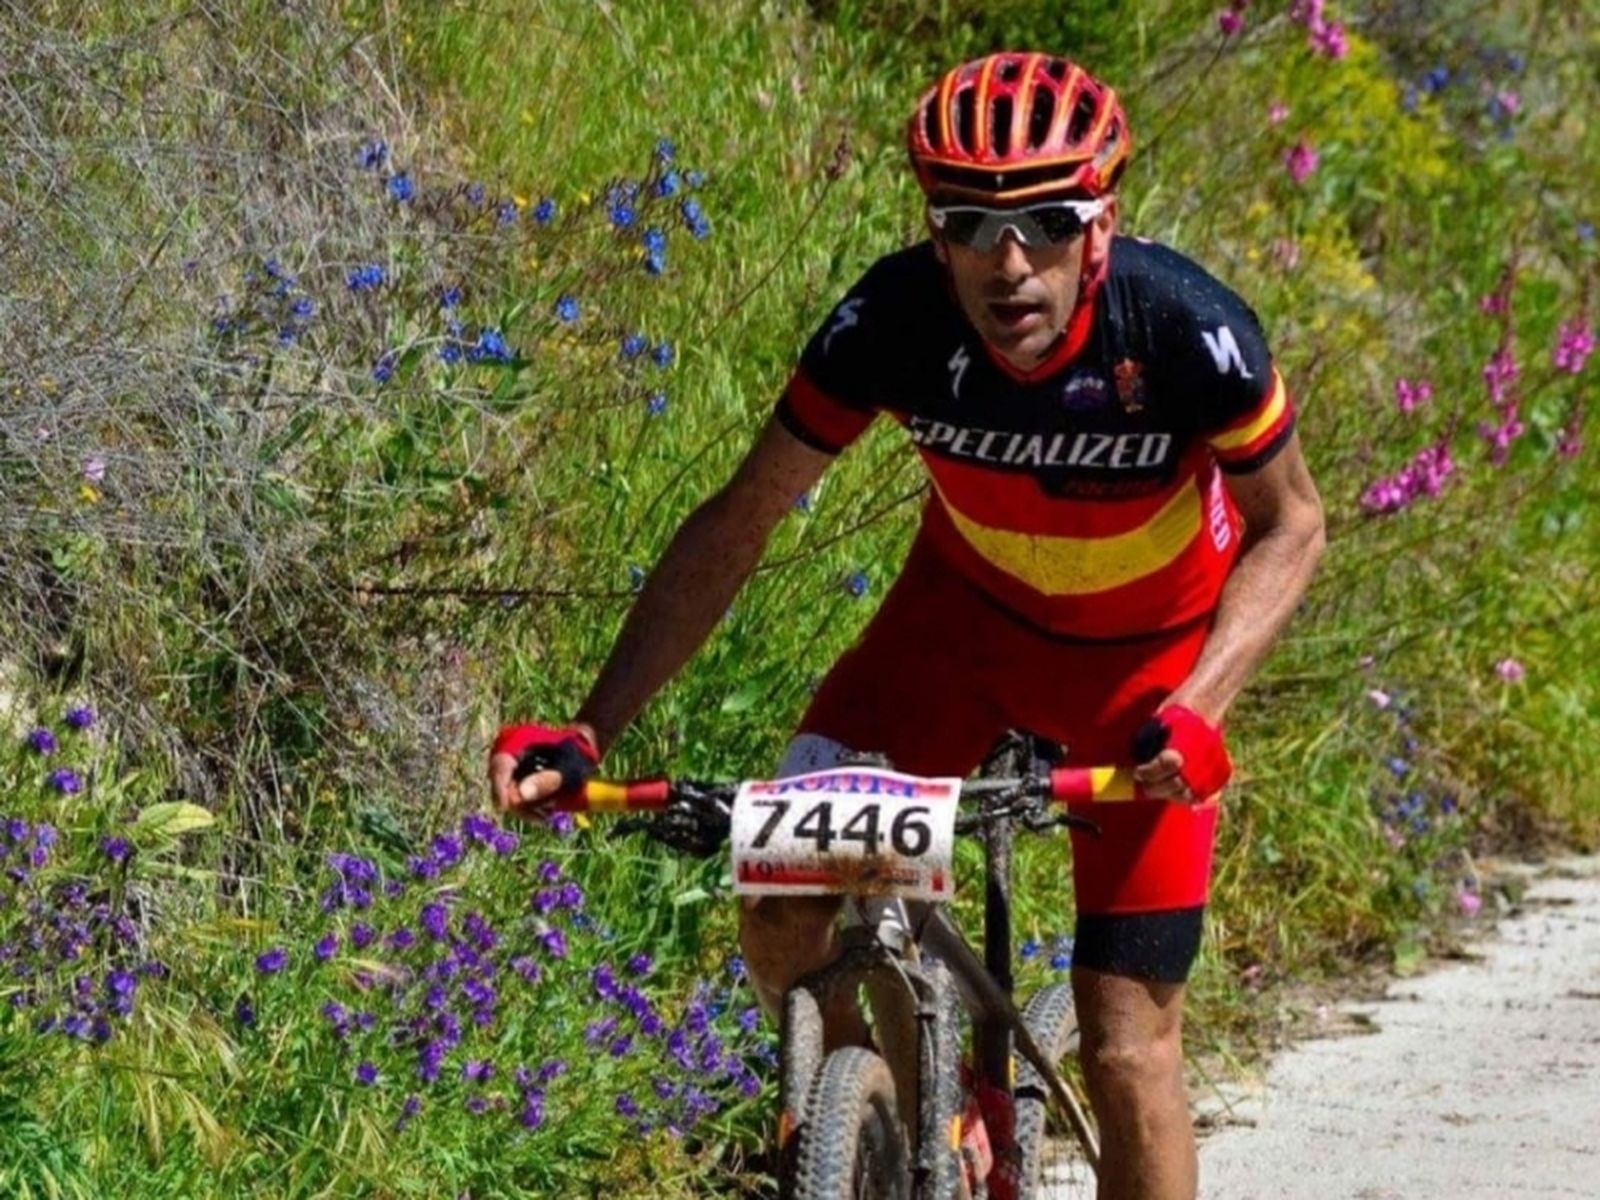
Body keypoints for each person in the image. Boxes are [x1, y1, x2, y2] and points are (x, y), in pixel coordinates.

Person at [489, 52, 1325, 1200]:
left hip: (1146, 679)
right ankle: (880, 1136)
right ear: (935, 235)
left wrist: (1200, 707)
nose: (1009, 259)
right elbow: (740, 522)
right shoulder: (888, 322)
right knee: (782, 899)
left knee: (1128, 1047)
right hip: (954, 639)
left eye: (1047, 220)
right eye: (970, 223)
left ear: (1103, 224)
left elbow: (1294, 527)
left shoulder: (1183, 329)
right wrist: (587, 729)